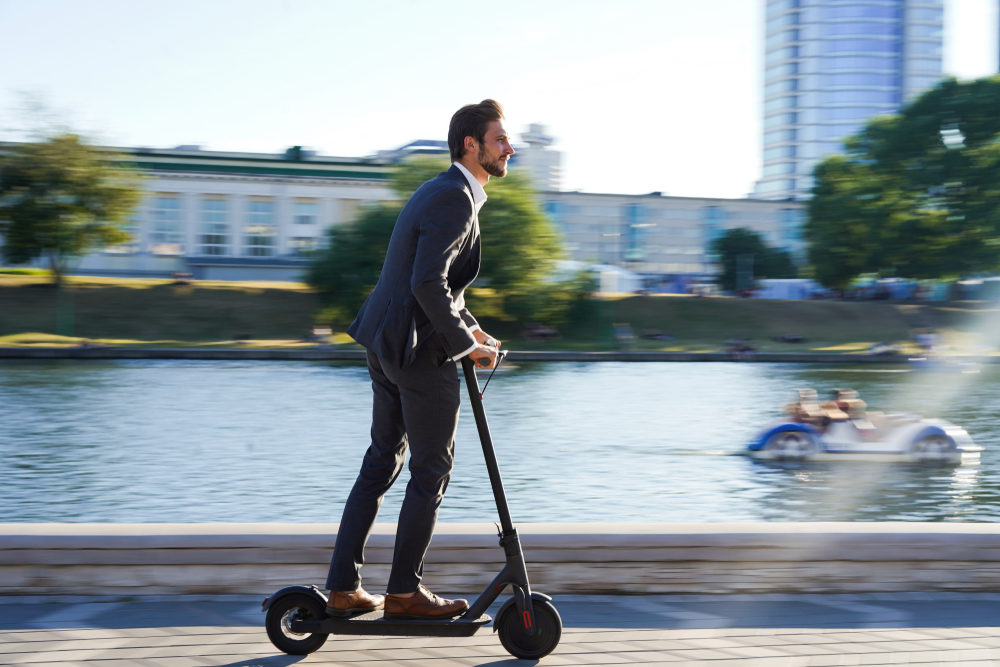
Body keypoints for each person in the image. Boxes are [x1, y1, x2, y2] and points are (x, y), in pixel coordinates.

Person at [324, 100, 513, 620]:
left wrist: (471, 329)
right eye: (500, 139)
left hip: (386, 343)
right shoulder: (454, 198)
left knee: (381, 461)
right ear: (470, 144)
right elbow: (425, 282)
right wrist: (462, 346)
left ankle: (343, 589)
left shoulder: (444, 191)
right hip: (416, 351)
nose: (509, 148)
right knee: (432, 468)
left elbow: (438, 283)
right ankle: (404, 593)